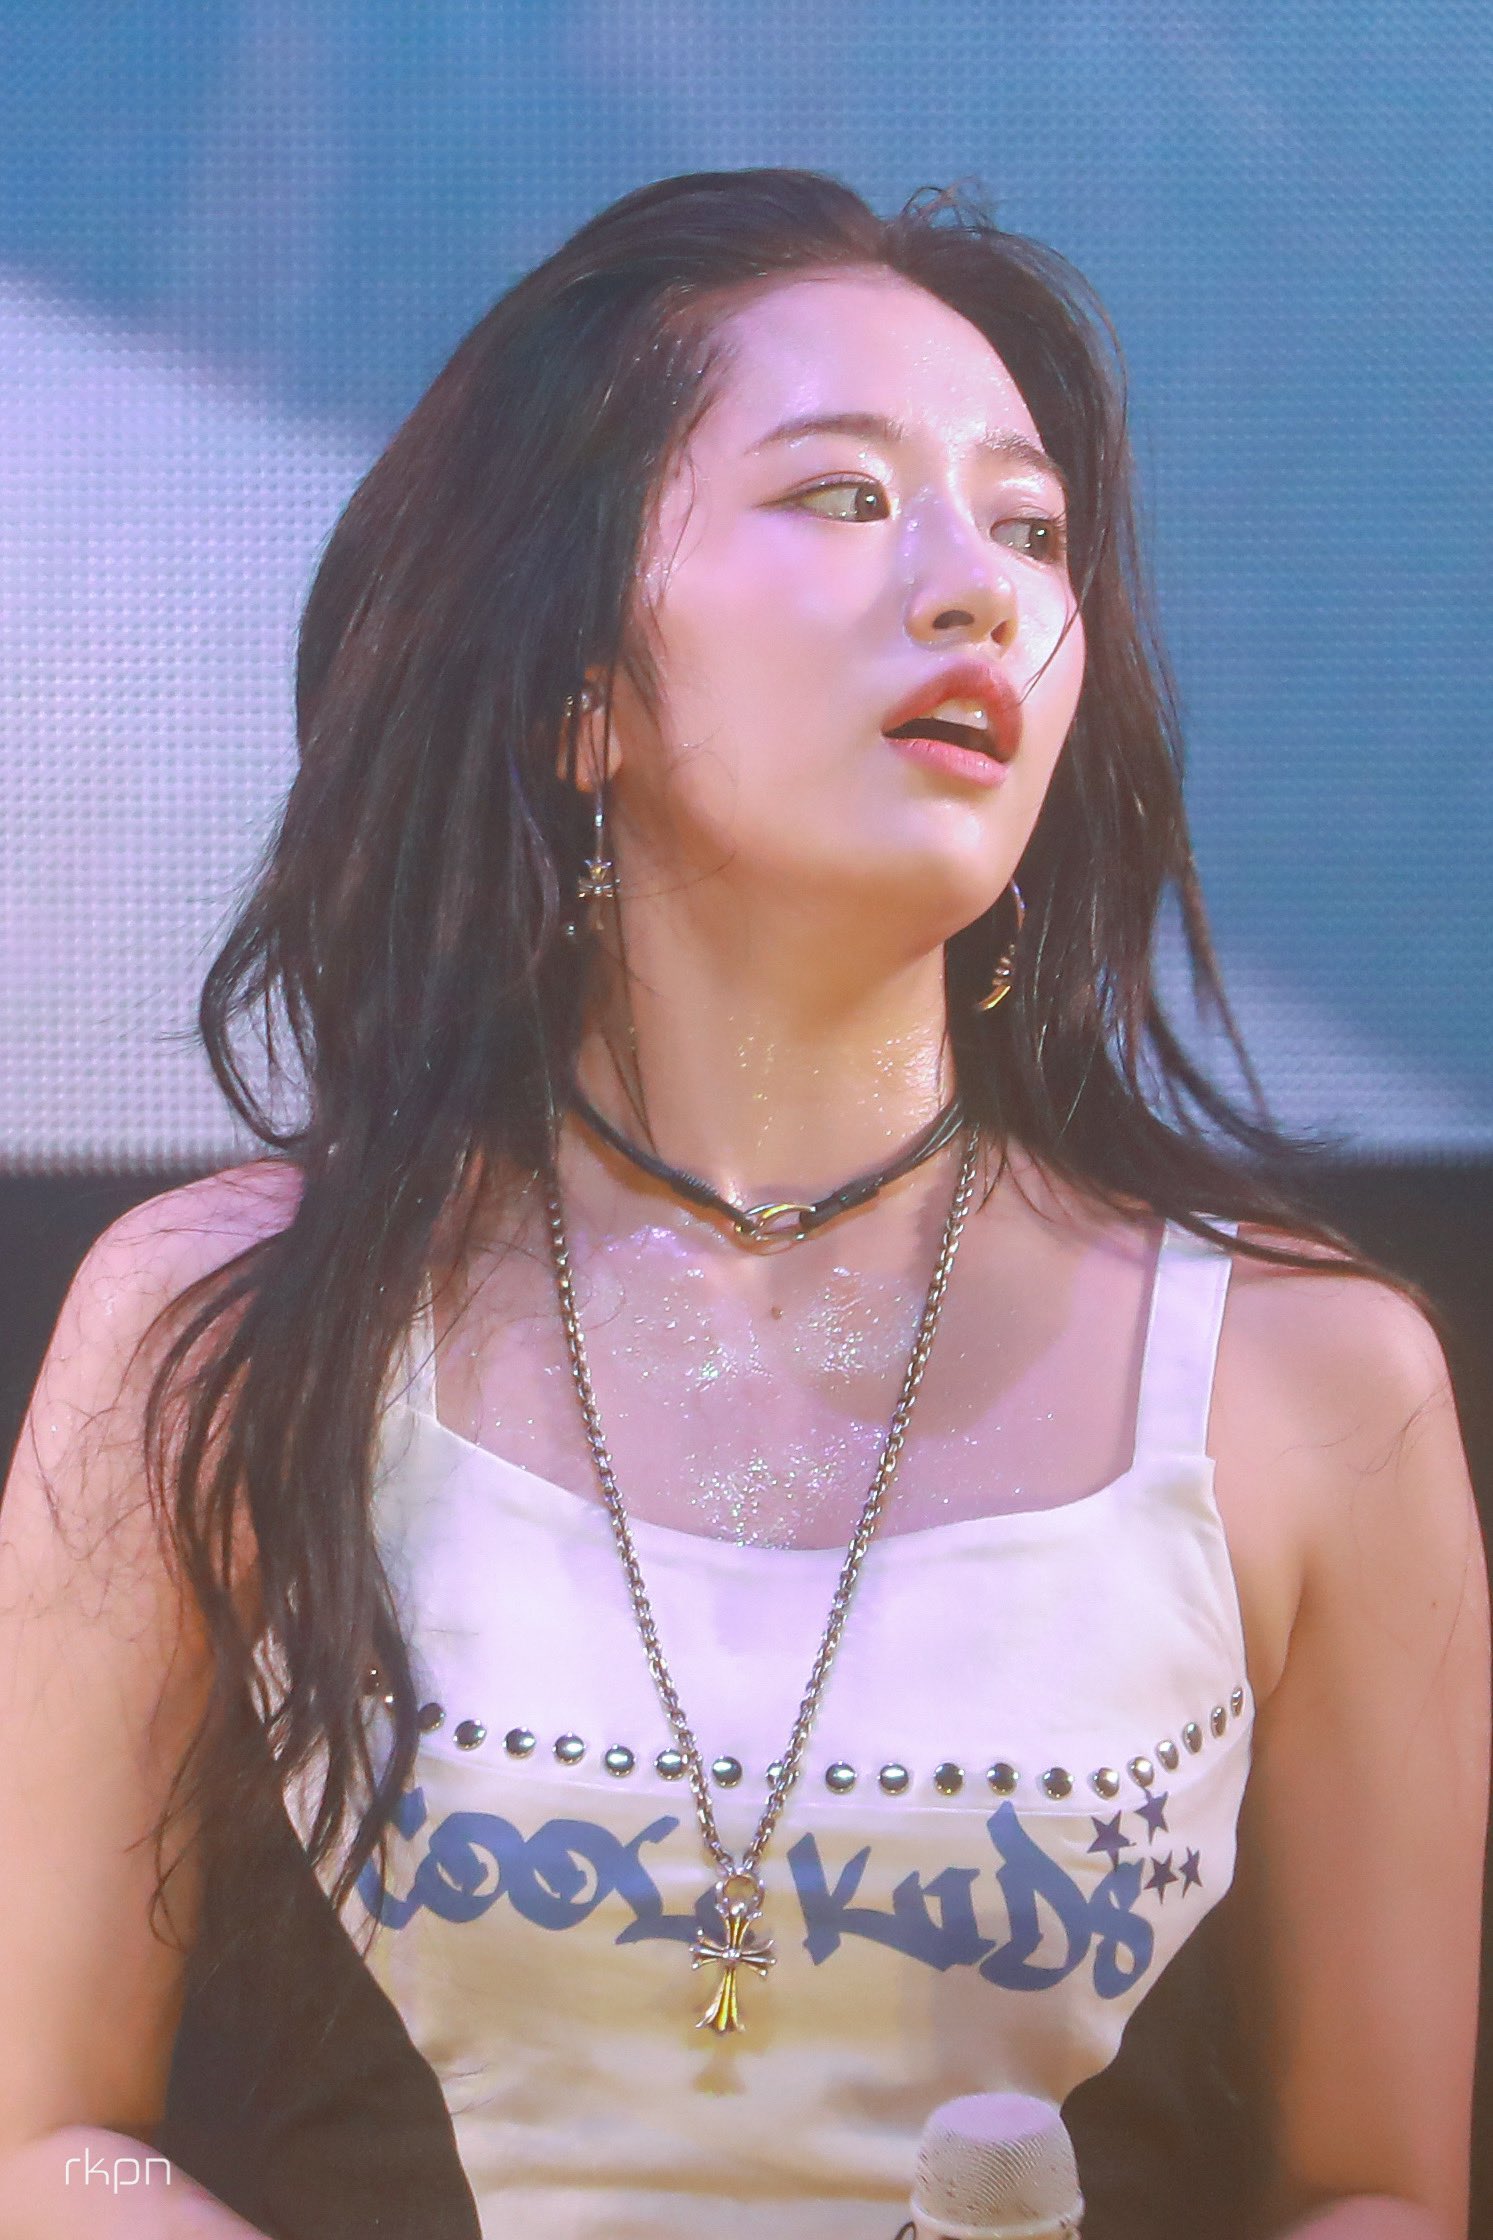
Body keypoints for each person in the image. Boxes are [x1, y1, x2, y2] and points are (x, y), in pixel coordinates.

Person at [0, 169, 1486, 2240]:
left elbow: (1380, 2192)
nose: (978, 593)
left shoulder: (1310, 1382)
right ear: (576, 688)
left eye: (1030, 530)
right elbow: (41, 2142)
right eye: (845, 498)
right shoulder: (215, 1326)